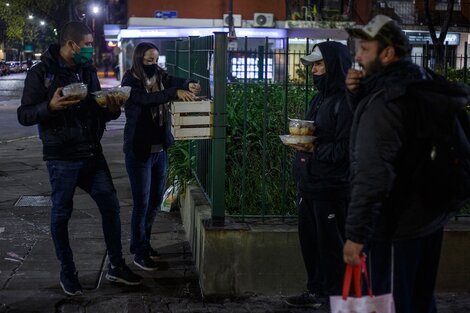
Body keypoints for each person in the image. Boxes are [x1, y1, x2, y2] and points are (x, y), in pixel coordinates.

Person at [343, 15, 470, 312]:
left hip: (393, 227)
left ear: (387, 54)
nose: (357, 55)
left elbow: (373, 172)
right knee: (420, 301)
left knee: (391, 304)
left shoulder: (387, 102)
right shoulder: (420, 82)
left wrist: (356, 235)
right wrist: (358, 97)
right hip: (427, 219)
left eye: (365, 49)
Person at [17, 21, 142, 296]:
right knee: (61, 214)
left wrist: (112, 108)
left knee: (111, 207)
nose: (90, 49)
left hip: (91, 153)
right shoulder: (42, 73)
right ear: (71, 44)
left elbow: (95, 110)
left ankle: (116, 265)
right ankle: (68, 272)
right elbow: (24, 114)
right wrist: (49, 107)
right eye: (86, 44)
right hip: (61, 157)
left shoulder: (87, 70)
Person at [285, 41, 353, 309]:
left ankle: (335, 301)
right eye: (313, 64)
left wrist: (315, 147)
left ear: (335, 65)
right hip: (310, 185)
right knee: (311, 245)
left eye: (320, 63)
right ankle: (316, 292)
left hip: (332, 188)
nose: (314, 69)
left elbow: (347, 149)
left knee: (332, 249)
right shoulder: (320, 98)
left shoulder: (346, 101)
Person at [121, 42, 200, 271]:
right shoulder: (130, 81)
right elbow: (145, 100)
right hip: (139, 151)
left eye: (156, 60)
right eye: (148, 61)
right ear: (138, 60)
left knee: (155, 201)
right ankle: (139, 249)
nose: (153, 64)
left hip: (160, 150)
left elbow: (176, 80)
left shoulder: (160, 76)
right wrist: (172, 93)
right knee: (141, 203)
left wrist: (189, 84)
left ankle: (144, 244)